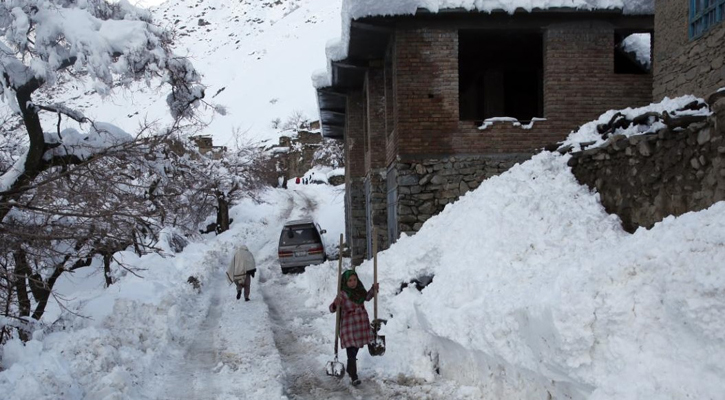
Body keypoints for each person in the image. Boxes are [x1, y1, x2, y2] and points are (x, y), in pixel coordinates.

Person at [328, 269, 379, 386]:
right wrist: (336, 303)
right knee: (351, 350)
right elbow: (331, 309)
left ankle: (351, 368)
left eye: (354, 280)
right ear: (345, 282)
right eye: (350, 280)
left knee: (355, 349)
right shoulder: (342, 294)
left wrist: (374, 289)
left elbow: (367, 297)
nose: (353, 282)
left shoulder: (359, 290)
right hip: (349, 325)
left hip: (360, 324)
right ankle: (353, 374)